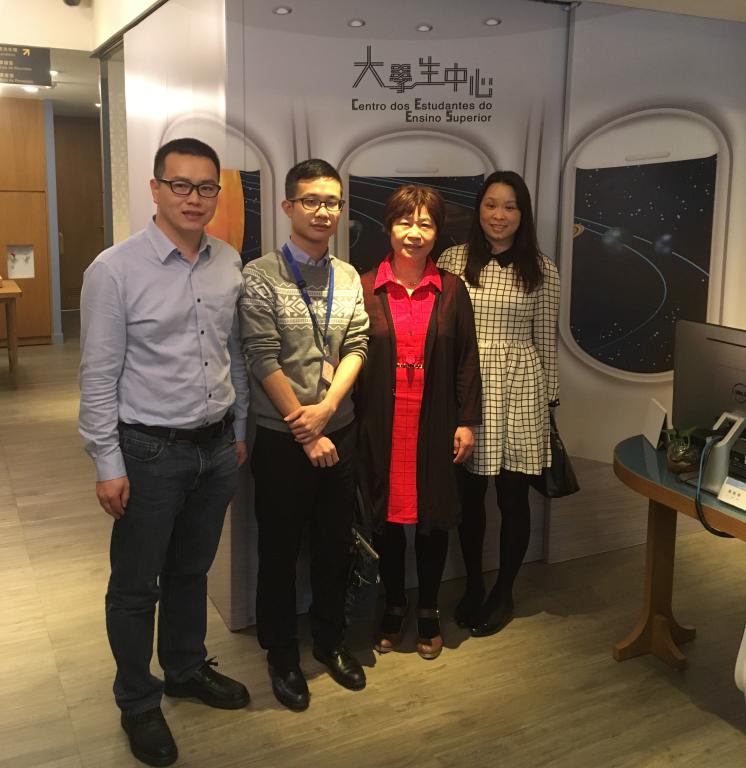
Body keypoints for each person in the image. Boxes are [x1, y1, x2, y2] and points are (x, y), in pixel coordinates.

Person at [79, 138, 251, 767]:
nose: (193, 198)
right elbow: (99, 375)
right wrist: (108, 464)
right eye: (180, 185)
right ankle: (137, 701)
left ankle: (183, 668)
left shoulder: (228, 261)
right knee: (135, 586)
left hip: (216, 448)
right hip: (149, 452)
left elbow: (232, 353)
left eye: (206, 187)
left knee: (190, 571)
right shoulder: (114, 270)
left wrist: (239, 429)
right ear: (155, 188)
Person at [239, 159, 369, 711]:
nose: (323, 211)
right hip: (282, 439)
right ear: (288, 206)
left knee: (335, 544)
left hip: (339, 431)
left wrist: (329, 410)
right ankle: (281, 654)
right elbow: (261, 356)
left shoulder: (349, 276)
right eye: (312, 200)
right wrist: (305, 428)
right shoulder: (260, 275)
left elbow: (357, 345)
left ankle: (330, 641)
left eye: (332, 202)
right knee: (279, 548)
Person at [356, 184, 481, 660]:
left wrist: (467, 421)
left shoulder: (452, 290)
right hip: (381, 424)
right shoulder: (365, 287)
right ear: (389, 227)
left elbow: (467, 359)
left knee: (433, 520)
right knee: (386, 520)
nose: (414, 233)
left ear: (437, 232)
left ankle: (428, 607)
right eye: (405, 222)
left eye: (425, 224)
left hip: (436, 421)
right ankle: (394, 604)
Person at [439, 170, 560, 637]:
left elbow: (545, 341)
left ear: (522, 214)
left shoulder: (542, 269)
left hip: (521, 388)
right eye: (491, 204)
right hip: (467, 388)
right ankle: (473, 584)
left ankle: (504, 591)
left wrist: (548, 402)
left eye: (510, 206)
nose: (499, 215)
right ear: (479, 209)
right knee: (469, 498)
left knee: (513, 498)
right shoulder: (452, 260)